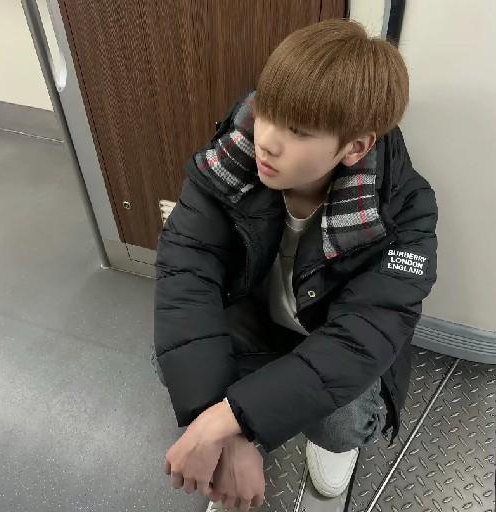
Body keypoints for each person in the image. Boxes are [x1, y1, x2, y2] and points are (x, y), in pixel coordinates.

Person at [151, 17, 438, 512]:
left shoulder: (405, 210)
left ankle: (321, 441)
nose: (266, 139)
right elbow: (186, 272)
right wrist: (228, 429)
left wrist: (226, 420)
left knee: (341, 422)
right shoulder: (230, 163)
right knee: (174, 355)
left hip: (330, 337)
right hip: (259, 322)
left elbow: (360, 338)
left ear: (356, 147)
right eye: (267, 111)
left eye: (299, 131)